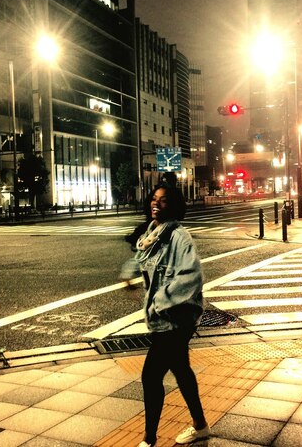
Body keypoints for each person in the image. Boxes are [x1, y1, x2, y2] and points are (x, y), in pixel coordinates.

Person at [122, 184, 209, 447]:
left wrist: (159, 302)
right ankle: (201, 426)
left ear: (173, 205)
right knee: (181, 370)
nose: (155, 203)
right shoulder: (154, 233)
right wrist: (128, 273)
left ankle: (149, 439)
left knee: (150, 376)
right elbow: (141, 257)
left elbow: (192, 277)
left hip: (176, 318)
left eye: (163, 200)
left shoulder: (178, 237)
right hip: (165, 318)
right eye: (153, 199)